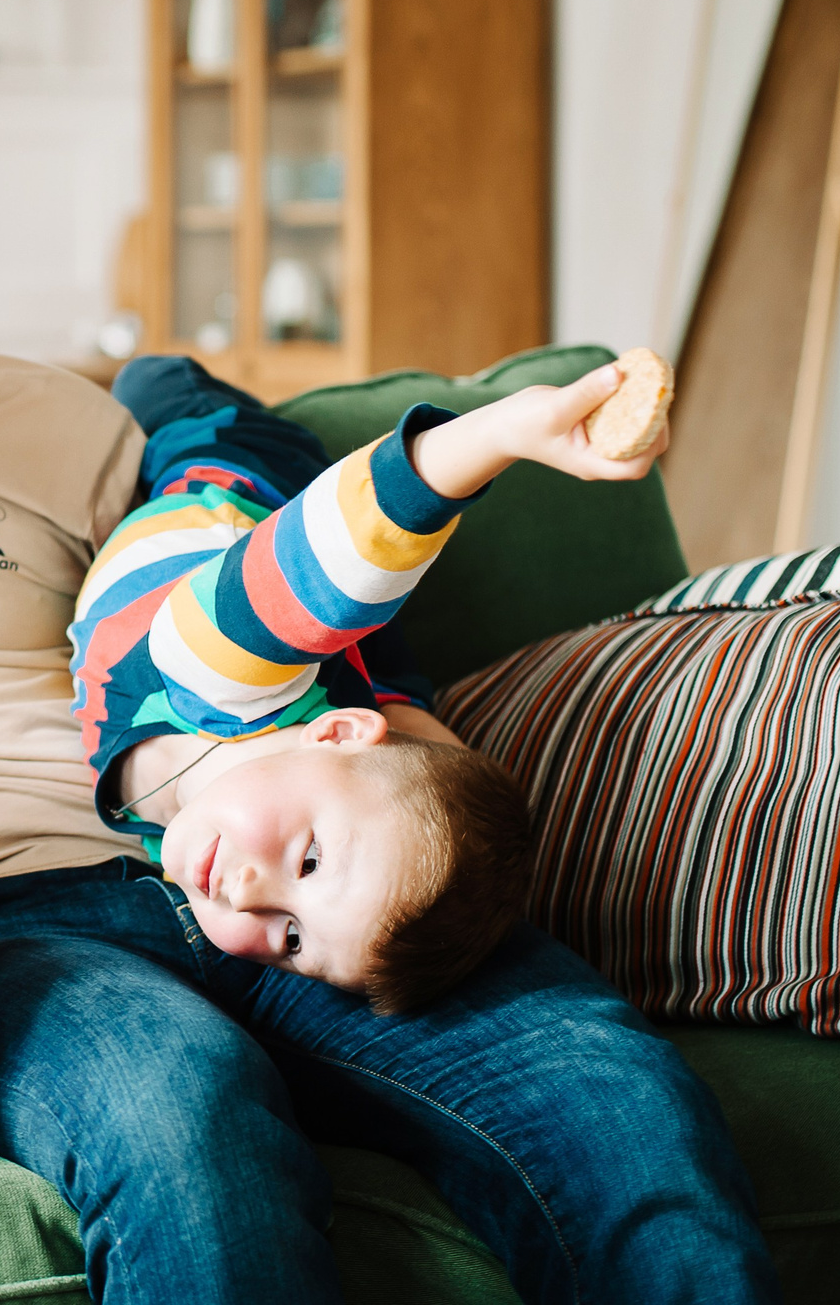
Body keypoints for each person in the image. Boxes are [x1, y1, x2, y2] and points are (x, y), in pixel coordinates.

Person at [0, 0, 778, 1305]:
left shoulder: (45, 421)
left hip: (233, 861)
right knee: (181, 1106)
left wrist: (389, 712)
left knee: (599, 1087)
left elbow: (242, 605)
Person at [73, 355, 631, 1009]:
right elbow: (335, 559)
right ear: (334, 733)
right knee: (150, 381)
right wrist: (490, 438)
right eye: (308, 862)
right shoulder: (218, 669)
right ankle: (391, 702)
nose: (250, 895)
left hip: (344, 692)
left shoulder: (180, 839)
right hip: (245, 481)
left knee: (384, 692)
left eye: (293, 941)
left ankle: (393, 703)